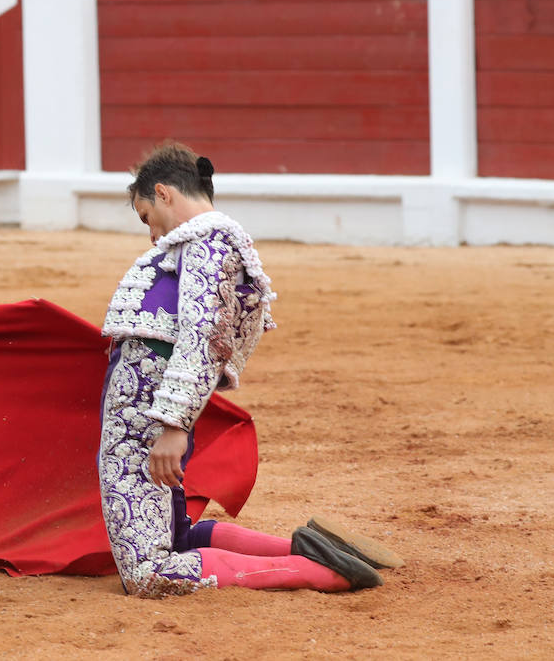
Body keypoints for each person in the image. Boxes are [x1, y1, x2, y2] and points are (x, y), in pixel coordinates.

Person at [98, 143, 399, 597]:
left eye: (146, 217)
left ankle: (327, 573)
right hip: (147, 416)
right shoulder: (205, 242)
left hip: (148, 420)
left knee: (150, 573)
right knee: (178, 539)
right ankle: (305, 550)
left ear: (162, 193)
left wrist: (173, 425)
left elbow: (205, 339)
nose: (151, 233)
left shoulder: (208, 240)